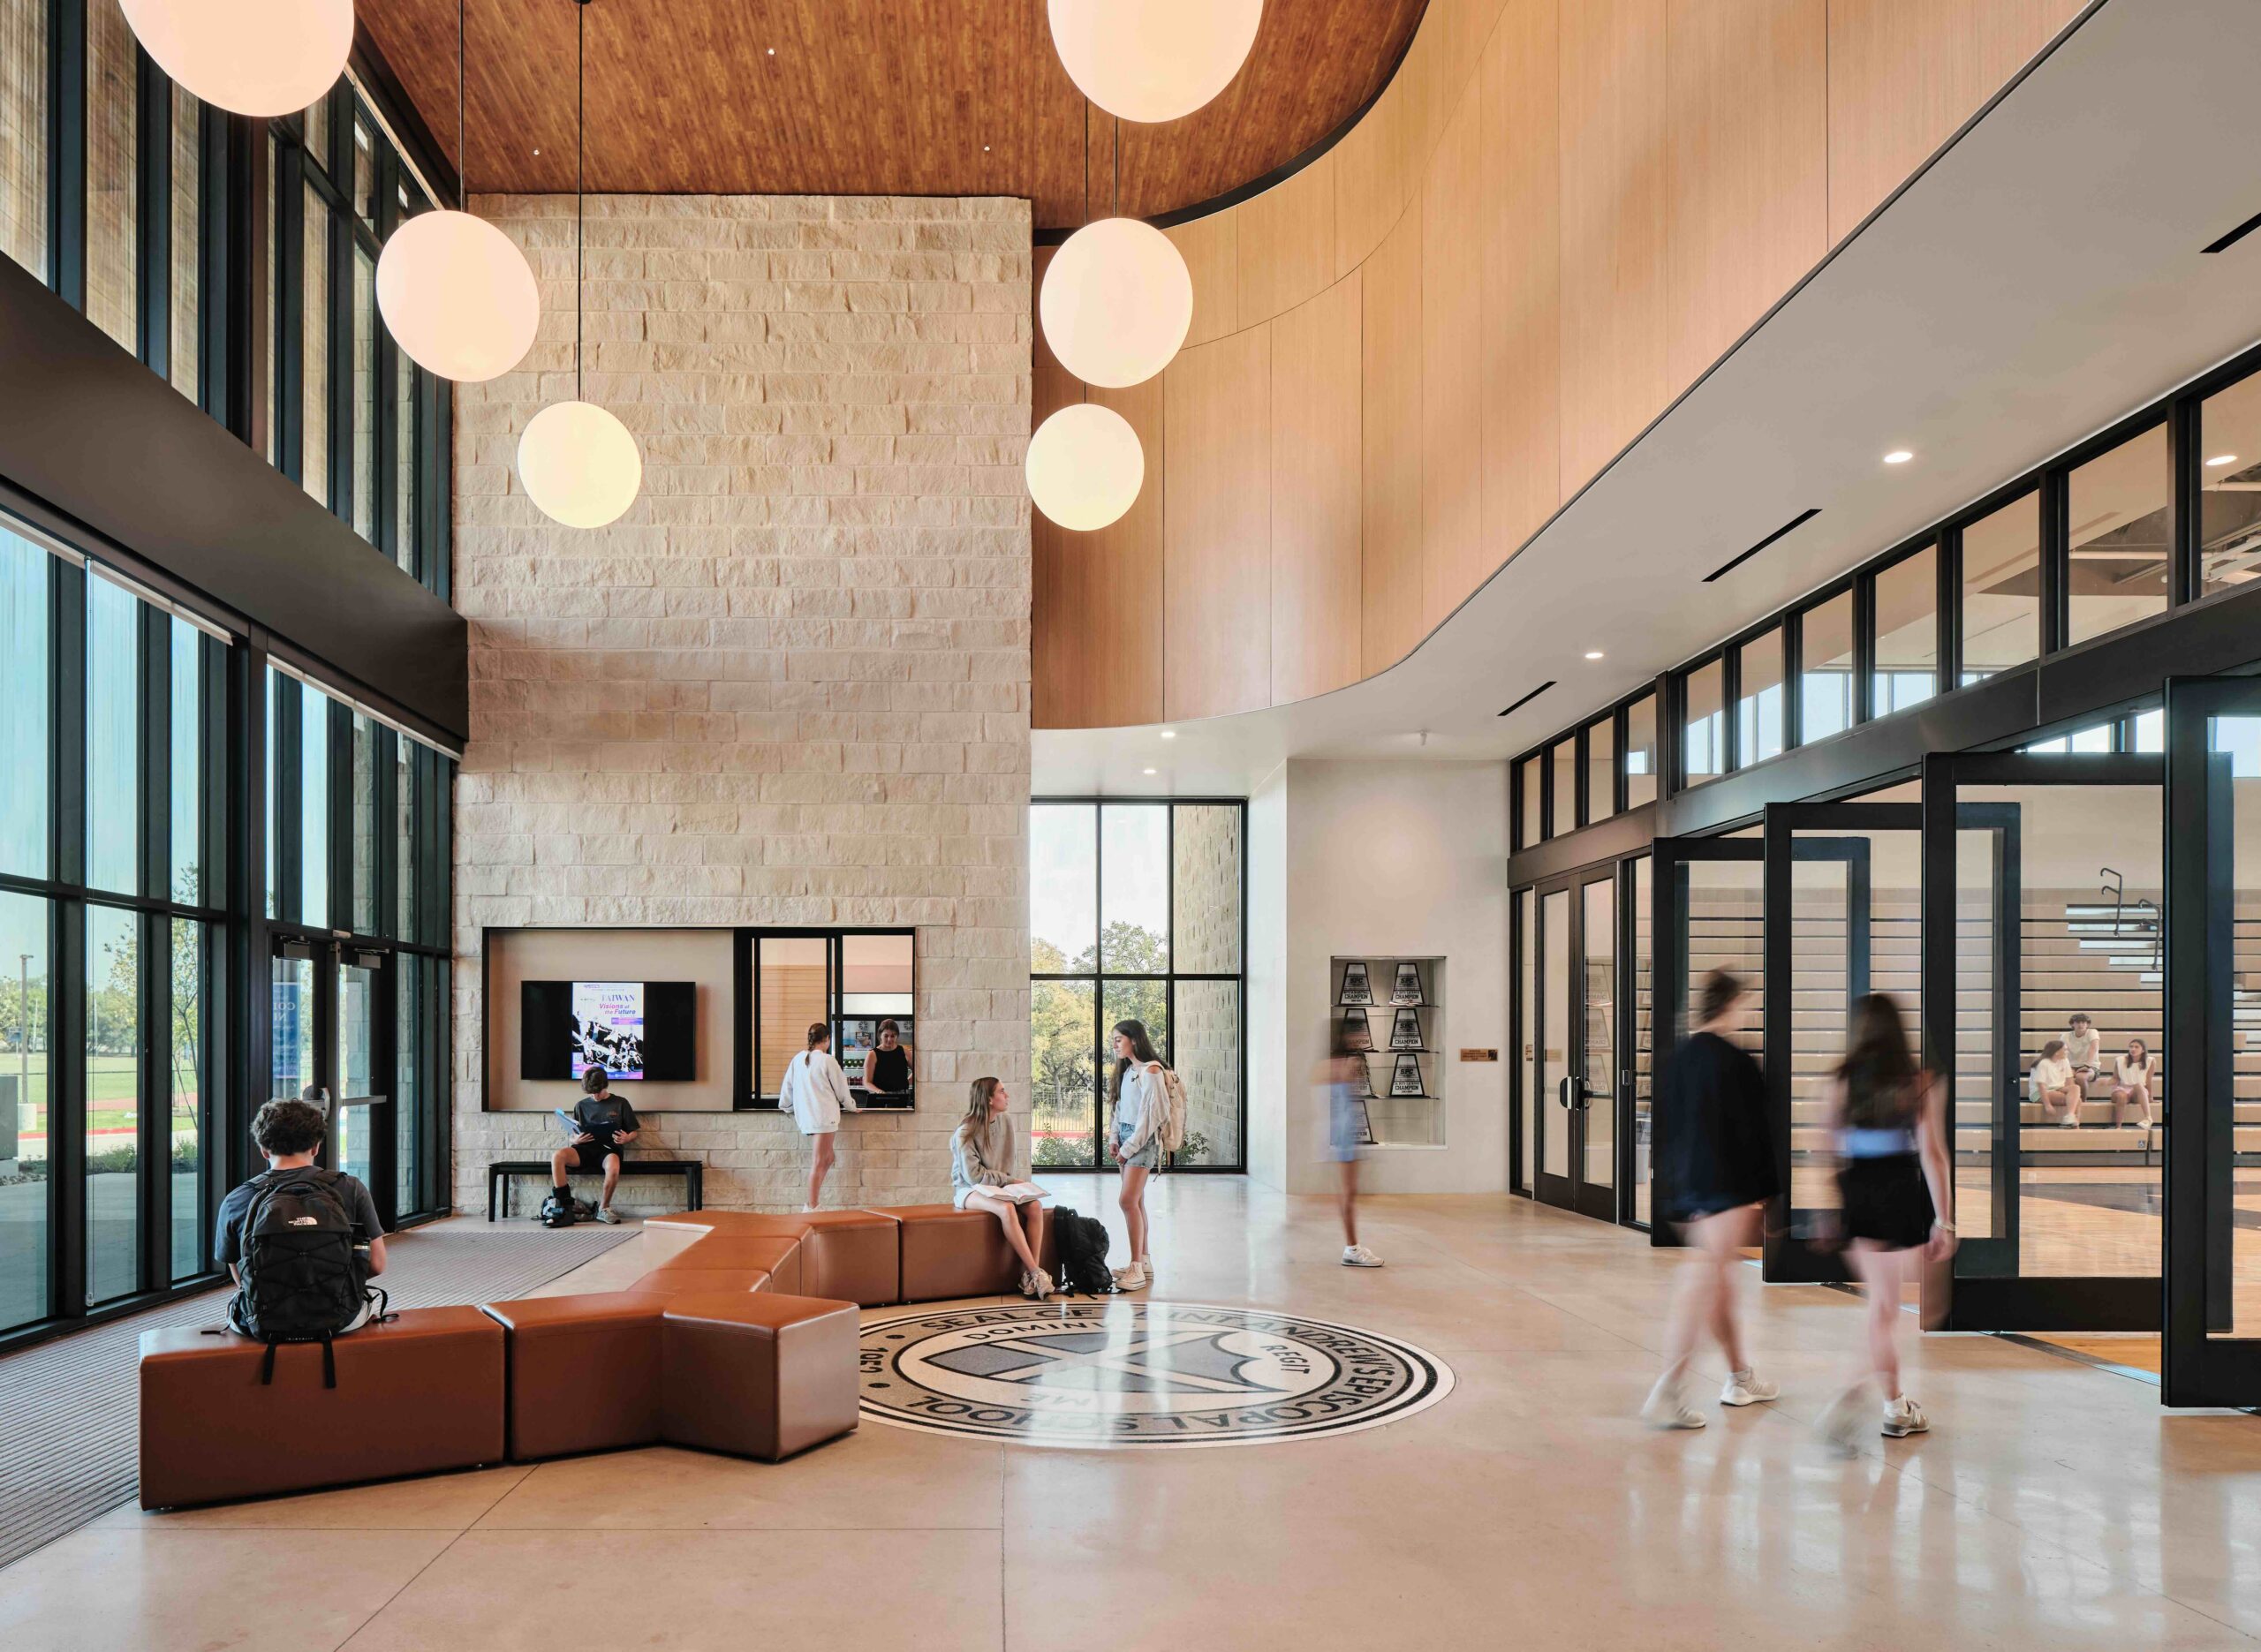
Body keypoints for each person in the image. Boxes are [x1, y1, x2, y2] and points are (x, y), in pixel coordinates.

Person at [1814, 993, 1955, 1453]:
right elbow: (1933, 1155)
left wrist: (1829, 1209)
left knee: (1881, 1306)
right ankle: (1878, 1401)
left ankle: (1891, 1402)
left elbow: (1827, 1148)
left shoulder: (1840, 1080)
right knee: (1889, 1309)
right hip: (1898, 1191)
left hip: (1858, 1192)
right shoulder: (1918, 1082)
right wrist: (1944, 1221)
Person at [1642, 969, 1781, 1429]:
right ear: (1732, 1003)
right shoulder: (1737, 1063)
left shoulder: (1678, 1058)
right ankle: (1671, 1385)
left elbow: (1663, 1127)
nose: (1751, 1011)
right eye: (1748, 1003)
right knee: (1703, 1281)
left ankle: (1740, 1375)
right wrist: (1769, 1197)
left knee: (1718, 1282)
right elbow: (1757, 1135)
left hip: (1689, 1188)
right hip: (1728, 1188)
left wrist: (1669, 1187)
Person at [215, 1097, 386, 1335]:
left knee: (236, 1308)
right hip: (341, 1317)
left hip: (265, 1321)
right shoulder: (350, 1187)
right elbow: (377, 1264)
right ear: (316, 1146)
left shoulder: (237, 1198)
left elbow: (241, 1278)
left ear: (264, 1150)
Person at [952, 1076, 1053, 1298]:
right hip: (969, 1190)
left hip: (999, 1187)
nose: (1007, 1096)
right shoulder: (965, 1132)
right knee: (1006, 1209)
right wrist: (1008, 1181)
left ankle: (1029, 1277)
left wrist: (1010, 1184)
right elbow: (973, 1177)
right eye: (1001, 1091)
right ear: (988, 1099)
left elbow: (1007, 1168)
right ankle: (1036, 1272)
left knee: (1035, 1206)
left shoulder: (1006, 1122)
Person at [1108, 1019, 1166, 1293]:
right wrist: (1114, 1138)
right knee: (1137, 1201)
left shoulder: (1151, 1071)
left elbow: (1153, 1116)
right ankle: (1144, 1263)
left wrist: (1129, 1147)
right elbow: (1120, 1108)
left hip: (1142, 1141)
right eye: (1114, 1040)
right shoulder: (1129, 1070)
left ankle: (1135, 1268)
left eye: (1119, 1038)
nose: (1115, 1044)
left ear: (1134, 1039)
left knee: (1127, 1200)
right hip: (1128, 1138)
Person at [550, 1066, 640, 1223]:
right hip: (584, 1148)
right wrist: (575, 1140)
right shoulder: (581, 1105)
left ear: (605, 1086)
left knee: (613, 1168)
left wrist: (627, 1138)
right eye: (591, 1093)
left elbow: (634, 1132)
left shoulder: (620, 1103)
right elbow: (573, 1134)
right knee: (558, 1156)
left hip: (609, 1150)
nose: (594, 1096)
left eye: (597, 1092)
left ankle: (604, 1209)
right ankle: (564, 1207)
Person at [781, 1021, 855, 1211]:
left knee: (828, 1157)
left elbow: (787, 1088)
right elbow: (842, 1091)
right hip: (824, 1117)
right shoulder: (827, 1060)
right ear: (827, 1039)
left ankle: (813, 1204)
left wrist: (787, 1106)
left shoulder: (798, 1059)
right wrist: (852, 1107)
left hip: (808, 1117)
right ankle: (811, 1207)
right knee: (819, 1160)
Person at [1323, 1028, 1382, 1268]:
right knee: (1349, 1194)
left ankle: (1353, 1246)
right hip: (1345, 1136)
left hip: (1344, 1134)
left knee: (1349, 1193)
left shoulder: (1333, 1065)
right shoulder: (1341, 1065)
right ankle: (1352, 1248)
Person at [858, 1018, 913, 1100]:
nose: (889, 1039)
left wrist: (906, 1083)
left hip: (902, 1096)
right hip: (880, 1097)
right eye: (886, 1036)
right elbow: (867, 1082)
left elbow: (918, 1072)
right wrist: (879, 1092)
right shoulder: (872, 1054)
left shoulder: (906, 1052)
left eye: (893, 1036)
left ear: (897, 1036)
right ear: (880, 1035)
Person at [2030, 1038, 2081, 1128]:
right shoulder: (2043, 1063)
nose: (2067, 1052)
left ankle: (2070, 1118)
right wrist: (2048, 1105)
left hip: (2058, 1088)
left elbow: (2070, 1081)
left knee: (2076, 1088)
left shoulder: (2064, 1060)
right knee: (2075, 1100)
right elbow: (2041, 1086)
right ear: (2056, 1052)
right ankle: (2072, 1124)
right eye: (2065, 1050)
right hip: (2041, 1092)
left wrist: (2073, 1094)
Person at [2110, 1038, 2158, 1130]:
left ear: (2143, 1050)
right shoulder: (2120, 1060)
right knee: (2121, 1096)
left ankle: (2148, 1118)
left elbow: (2148, 1080)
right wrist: (2104, 1083)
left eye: (2136, 1047)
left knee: (2138, 1085)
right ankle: (2118, 1127)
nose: (2133, 1049)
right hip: (2122, 1088)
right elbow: (2115, 1078)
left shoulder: (2150, 1061)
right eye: (2131, 1047)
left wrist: (2150, 1097)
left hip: (2137, 1092)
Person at [2064, 1014, 2102, 1098]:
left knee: (2080, 1077)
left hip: (2091, 1065)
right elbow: (2063, 1051)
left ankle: (2083, 1102)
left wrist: (2087, 1065)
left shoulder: (2092, 1032)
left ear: (2087, 1024)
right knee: (2064, 1077)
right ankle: (2071, 1100)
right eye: (2077, 1022)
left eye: (2083, 1023)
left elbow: (2093, 1048)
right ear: (2072, 1024)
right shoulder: (2065, 1035)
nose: (2081, 1025)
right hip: (2072, 1066)